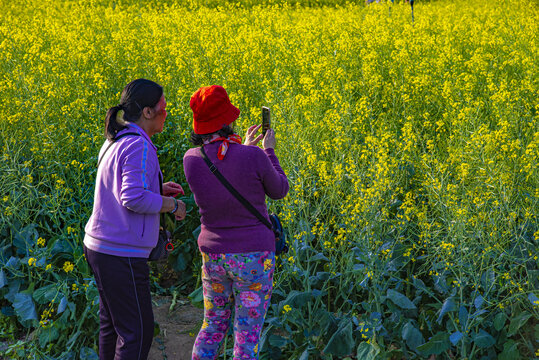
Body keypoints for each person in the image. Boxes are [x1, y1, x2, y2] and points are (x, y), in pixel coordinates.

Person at [183, 85, 289, 360]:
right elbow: (279, 189)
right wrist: (268, 152)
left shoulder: (191, 159)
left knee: (213, 324)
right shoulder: (253, 156)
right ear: (227, 121)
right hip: (254, 257)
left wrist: (244, 151)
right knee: (246, 333)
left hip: (214, 256)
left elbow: (224, 168)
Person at [83, 78, 187, 360]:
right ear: (147, 112)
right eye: (163, 109)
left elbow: (117, 188)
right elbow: (131, 198)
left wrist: (156, 188)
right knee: (138, 333)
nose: (167, 113)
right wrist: (172, 204)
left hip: (100, 246)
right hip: (120, 252)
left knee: (113, 327)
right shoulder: (138, 146)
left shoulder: (116, 139)